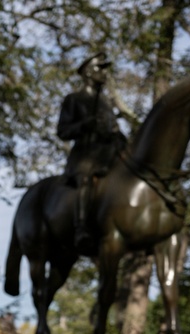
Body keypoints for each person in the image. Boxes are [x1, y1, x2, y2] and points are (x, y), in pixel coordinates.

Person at [57, 52, 126, 255]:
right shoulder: (74, 99)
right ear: (88, 72)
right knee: (86, 178)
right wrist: (84, 125)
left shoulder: (105, 102)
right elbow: (63, 132)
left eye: (105, 68)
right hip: (85, 154)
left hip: (109, 152)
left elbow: (114, 129)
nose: (104, 73)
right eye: (100, 68)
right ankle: (81, 229)